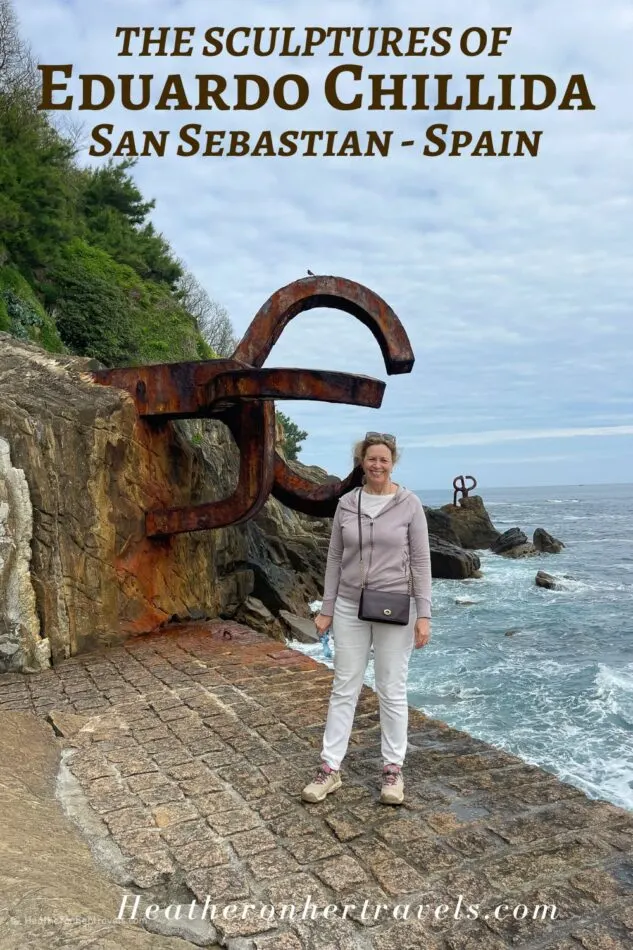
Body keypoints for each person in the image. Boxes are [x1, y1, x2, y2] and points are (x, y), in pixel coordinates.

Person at [301, 432, 432, 807]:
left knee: (392, 688)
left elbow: (422, 563)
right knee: (345, 686)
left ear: (393, 463)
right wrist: (326, 609)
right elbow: (333, 559)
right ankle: (329, 769)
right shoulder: (347, 504)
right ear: (362, 462)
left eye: (383, 459)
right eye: (371, 459)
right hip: (347, 605)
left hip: (396, 606)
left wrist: (425, 615)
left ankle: (393, 771)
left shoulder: (410, 504)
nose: (377, 465)